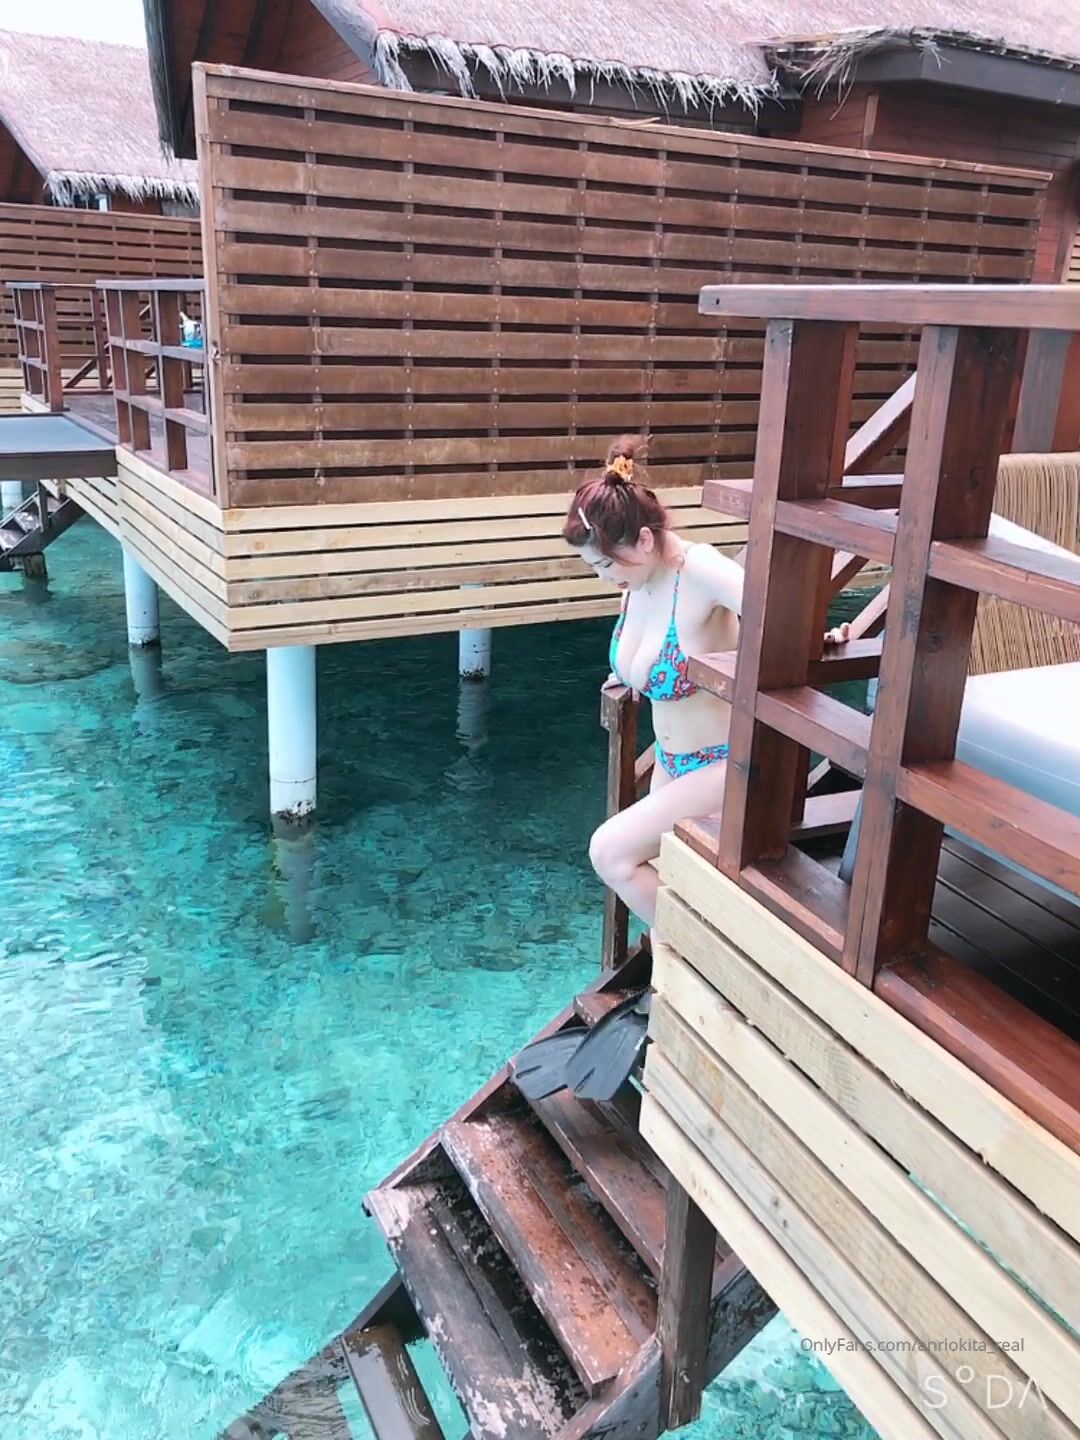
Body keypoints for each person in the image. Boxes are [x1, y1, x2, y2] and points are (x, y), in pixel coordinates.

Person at [563, 435, 848, 937]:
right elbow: (647, 658)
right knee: (668, 882)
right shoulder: (639, 580)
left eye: (605, 564)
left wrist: (819, 638)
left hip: (725, 762)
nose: (604, 578)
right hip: (671, 764)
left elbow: (777, 615)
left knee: (610, 853)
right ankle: (681, 949)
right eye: (594, 568)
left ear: (644, 541)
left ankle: (699, 947)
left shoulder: (701, 570)